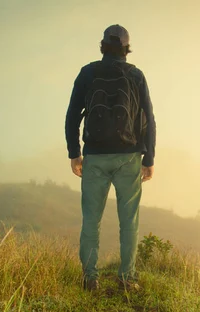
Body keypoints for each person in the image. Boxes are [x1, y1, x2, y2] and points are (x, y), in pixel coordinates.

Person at [65, 24, 156, 292]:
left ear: (103, 46)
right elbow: (149, 119)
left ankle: (90, 278)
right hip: (129, 157)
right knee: (129, 222)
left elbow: (72, 115)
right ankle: (127, 278)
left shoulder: (87, 73)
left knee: (91, 220)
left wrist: (75, 153)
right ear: (126, 49)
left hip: (94, 156)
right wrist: (149, 158)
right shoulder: (136, 75)